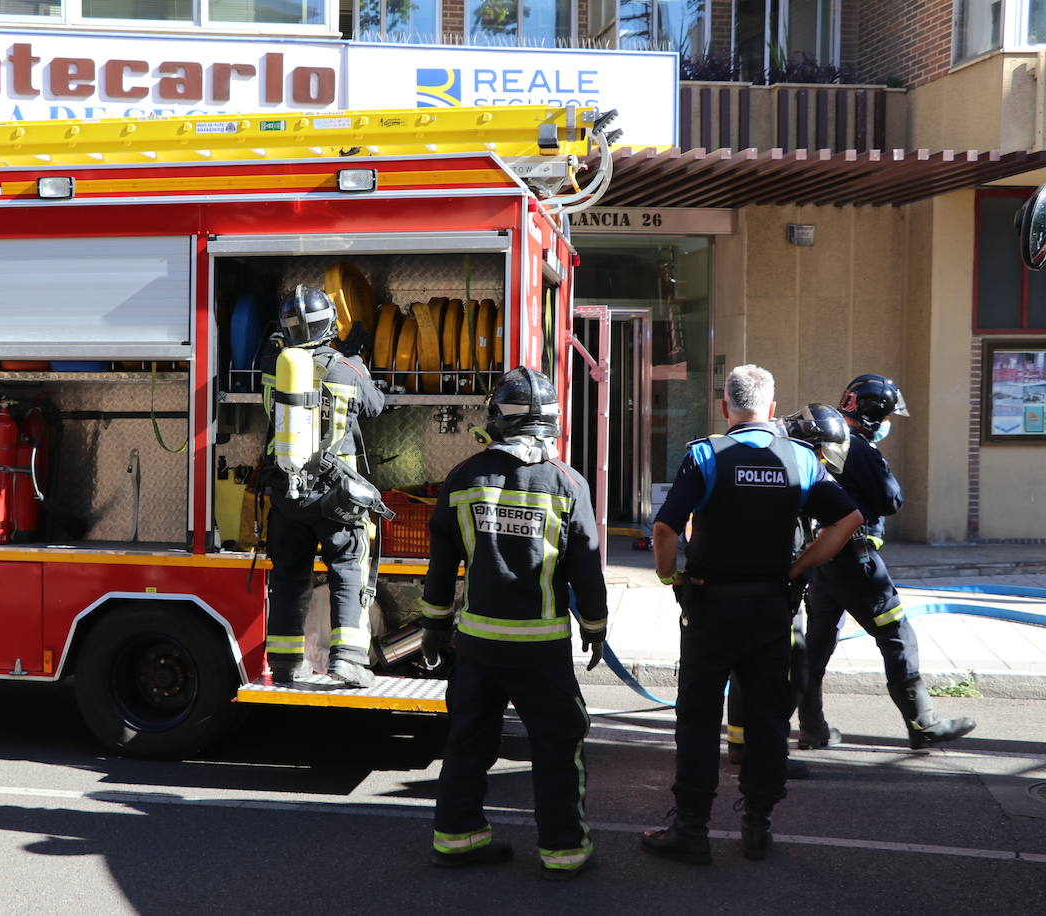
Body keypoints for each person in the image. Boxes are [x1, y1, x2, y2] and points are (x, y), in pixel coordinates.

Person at [642, 365, 862, 865]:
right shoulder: (802, 459)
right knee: (766, 720)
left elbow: (664, 530)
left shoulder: (706, 455)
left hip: (710, 608)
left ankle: (692, 831)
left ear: (725, 407)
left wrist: (666, 575)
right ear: (771, 406)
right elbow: (849, 519)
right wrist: (801, 565)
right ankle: (757, 826)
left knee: (697, 721)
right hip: (771, 610)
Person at [420, 367, 607, 880]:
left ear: (496, 418)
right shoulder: (569, 484)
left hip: (477, 645)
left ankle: (456, 839)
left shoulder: (462, 478)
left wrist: (434, 627)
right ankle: (564, 851)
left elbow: (441, 567)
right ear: (551, 422)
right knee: (557, 745)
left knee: (468, 741)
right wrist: (595, 625)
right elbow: (586, 567)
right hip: (541, 648)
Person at [797, 375, 977, 751]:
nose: (891, 422)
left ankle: (811, 727)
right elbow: (890, 499)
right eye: (890, 415)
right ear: (874, 415)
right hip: (856, 563)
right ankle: (923, 723)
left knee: (816, 647)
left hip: (823, 562)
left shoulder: (823, 442)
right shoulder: (858, 448)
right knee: (898, 636)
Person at [260, 285, 385, 689]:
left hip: (286, 493)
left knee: (290, 575)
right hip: (335, 496)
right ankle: (347, 660)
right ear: (330, 322)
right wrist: (357, 361)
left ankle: (282, 662)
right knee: (347, 568)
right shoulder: (345, 367)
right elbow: (375, 405)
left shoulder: (274, 367)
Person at [724, 402, 852, 778]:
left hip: (738, 586)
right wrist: (801, 566)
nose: (824, 461)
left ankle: (741, 746)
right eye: (821, 453)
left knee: (745, 670)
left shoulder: (761, 460)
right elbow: (848, 519)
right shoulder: (792, 466)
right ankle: (764, 755)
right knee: (790, 669)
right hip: (773, 589)